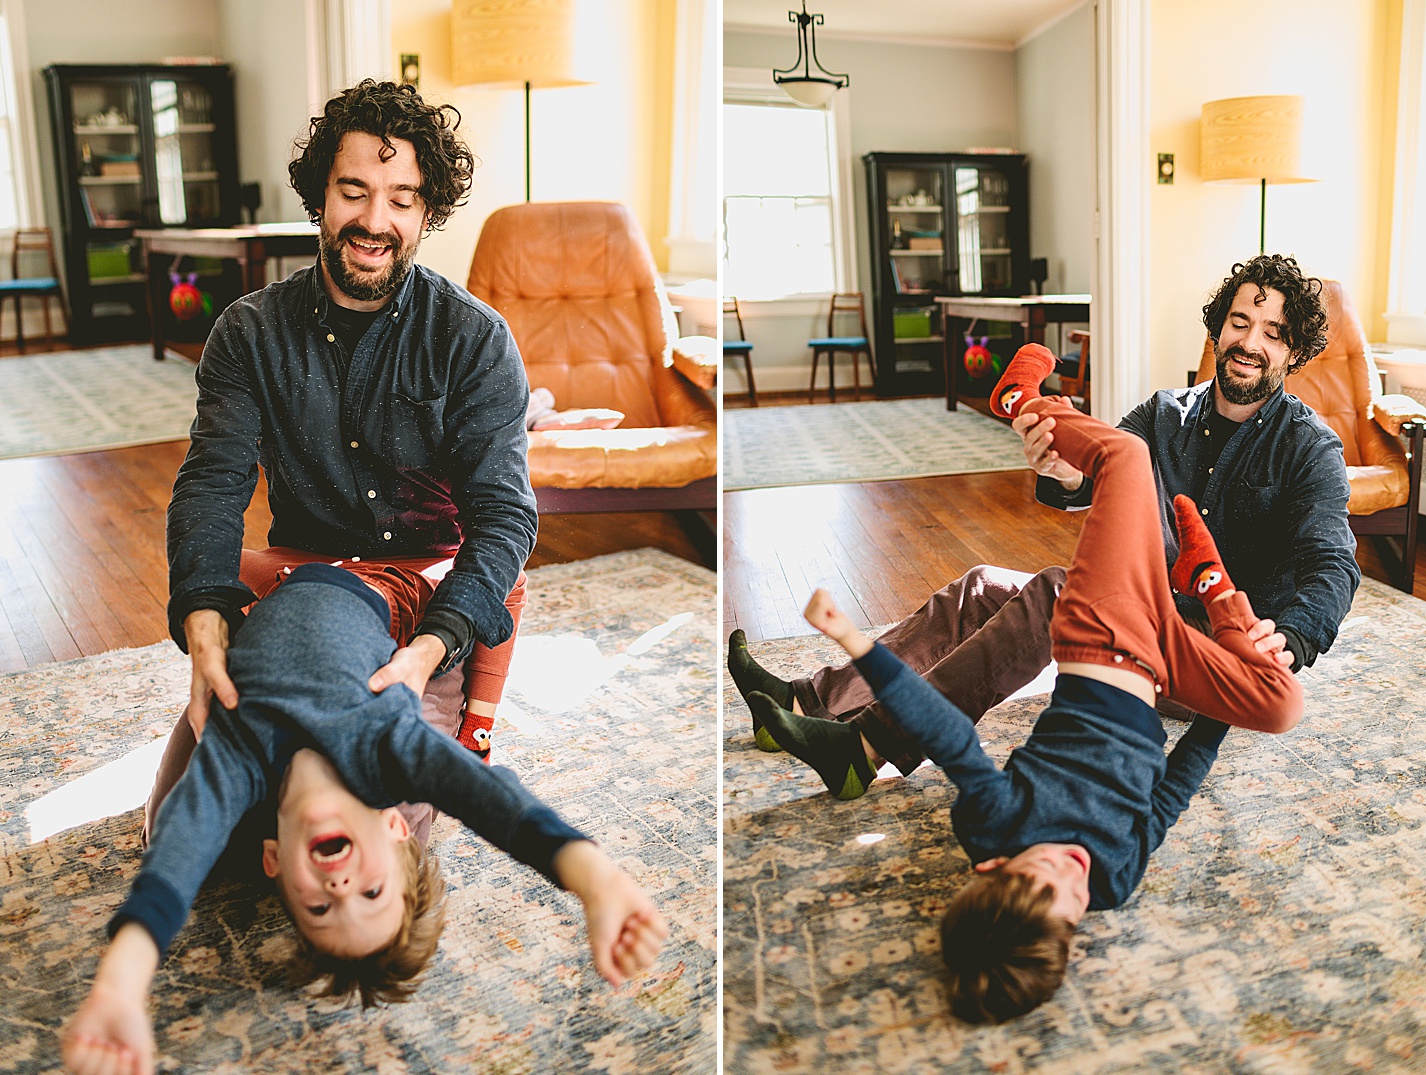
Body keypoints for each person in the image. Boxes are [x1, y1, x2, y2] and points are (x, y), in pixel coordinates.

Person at [746, 344, 1300, 1021]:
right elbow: (1174, 791)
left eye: (1039, 877)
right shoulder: (1115, 878)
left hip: (1101, 631)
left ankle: (1017, 400)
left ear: (992, 867)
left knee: (1125, 457)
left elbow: (947, 734)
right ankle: (1210, 581)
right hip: (1165, 654)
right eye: (1068, 909)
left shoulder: (996, 823)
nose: (1070, 876)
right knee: (1278, 704)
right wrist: (1229, 706)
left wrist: (856, 639)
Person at [730, 254, 1358, 797]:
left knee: (1061, 594)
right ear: (1218, 328)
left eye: (1272, 333)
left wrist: (1295, 637)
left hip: (1216, 659)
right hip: (1143, 616)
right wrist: (1059, 466)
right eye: (1239, 322)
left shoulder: (1310, 447)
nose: (1250, 342)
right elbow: (1092, 480)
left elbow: (1333, 565)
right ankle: (807, 701)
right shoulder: (1163, 414)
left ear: (1294, 351)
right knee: (981, 587)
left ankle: (865, 750)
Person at [62, 562, 667, 1075]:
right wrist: (596, 879)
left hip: (283, 588)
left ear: (275, 861)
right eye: (373, 893)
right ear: (391, 827)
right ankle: (472, 706)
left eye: (320, 909)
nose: (341, 889)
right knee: (486, 598)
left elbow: (178, 852)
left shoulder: (238, 762)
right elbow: (498, 804)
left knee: (164, 824)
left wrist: (120, 983)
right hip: (398, 594)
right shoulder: (389, 746)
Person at [155, 79, 537, 831]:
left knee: (379, 839)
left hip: (429, 605)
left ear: (428, 212)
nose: (374, 220)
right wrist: (203, 619)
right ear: (319, 197)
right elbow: (211, 482)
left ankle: (468, 724)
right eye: (353, 191)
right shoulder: (247, 332)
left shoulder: (474, 339)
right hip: (301, 589)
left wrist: (430, 652)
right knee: (186, 827)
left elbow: (504, 519)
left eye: (402, 198)